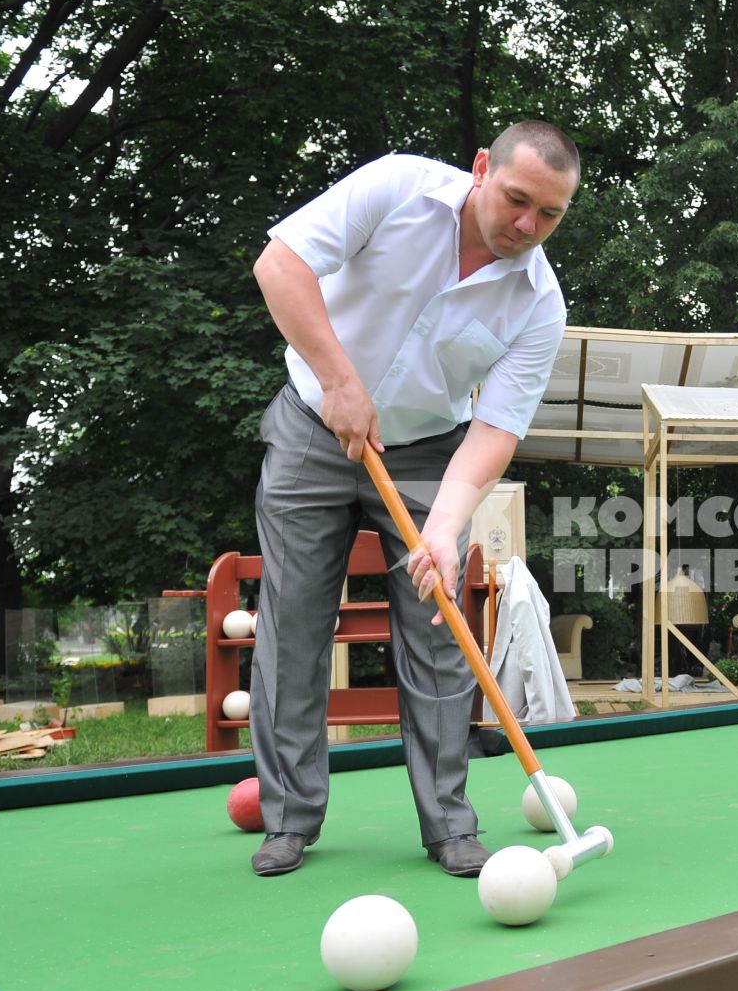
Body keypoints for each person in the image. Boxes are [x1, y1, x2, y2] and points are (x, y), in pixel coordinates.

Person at [245, 121, 579, 879]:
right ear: (482, 168)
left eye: (549, 215)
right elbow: (281, 265)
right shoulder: (397, 186)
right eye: (517, 200)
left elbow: (496, 429)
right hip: (312, 422)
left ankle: (449, 825)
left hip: (431, 448)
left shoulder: (539, 304)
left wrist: (447, 527)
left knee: (437, 630)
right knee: (294, 622)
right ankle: (289, 819)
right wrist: (338, 381)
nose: (527, 226)